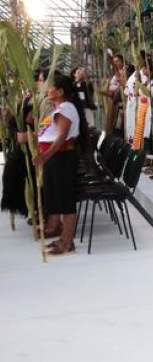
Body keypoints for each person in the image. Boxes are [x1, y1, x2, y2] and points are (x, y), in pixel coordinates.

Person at [33, 72, 88, 255]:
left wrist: (46, 155)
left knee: (66, 200)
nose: (48, 90)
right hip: (56, 159)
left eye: (51, 87)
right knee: (58, 196)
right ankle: (61, 234)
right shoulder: (58, 107)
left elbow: (62, 137)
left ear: (60, 91)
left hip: (62, 158)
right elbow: (46, 132)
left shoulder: (66, 108)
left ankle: (67, 241)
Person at [125, 51, 149, 143]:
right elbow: (127, 91)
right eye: (135, 58)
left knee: (137, 133)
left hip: (138, 105)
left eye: (138, 58)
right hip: (130, 105)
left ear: (144, 59)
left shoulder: (145, 74)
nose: (136, 60)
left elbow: (142, 92)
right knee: (130, 130)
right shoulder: (134, 73)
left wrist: (139, 80)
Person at [103, 54, 126, 135]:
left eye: (117, 61)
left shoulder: (124, 71)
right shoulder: (115, 73)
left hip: (118, 100)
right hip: (112, 100)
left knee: (118, 124)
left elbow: (122, 85)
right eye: (114, 62)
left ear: (123, 62)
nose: (116, 63)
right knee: (111, 123)